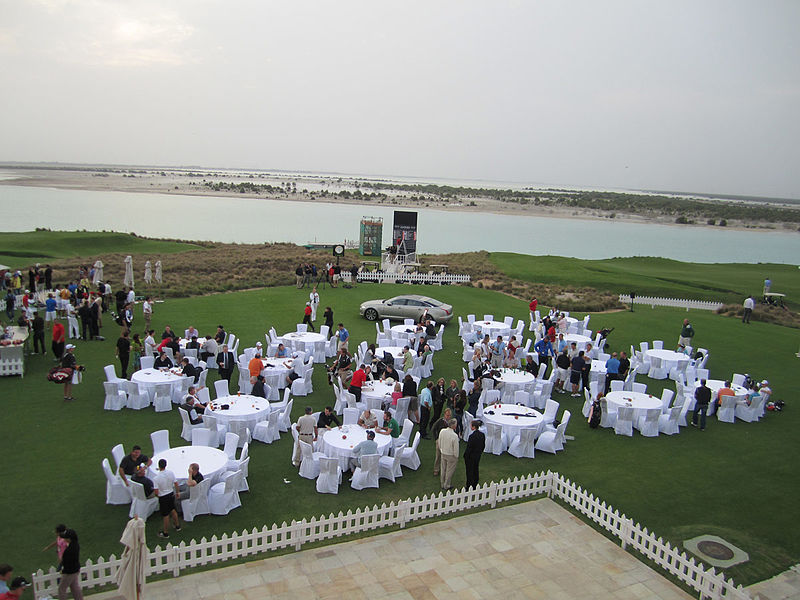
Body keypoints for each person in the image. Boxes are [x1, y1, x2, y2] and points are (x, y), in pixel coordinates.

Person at [154, 459, 182, 538]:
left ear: (159, 466)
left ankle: (165, 532)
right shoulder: (171, 473)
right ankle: (177, 526)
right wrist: (177, 492)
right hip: (171, 494)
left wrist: (158, 496)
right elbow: (176, 483)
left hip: (163, 497)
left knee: (165, 514)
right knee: (173, 510)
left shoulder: (156, 478)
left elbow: (156, 492)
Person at [58, 528, 84, 600]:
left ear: (69, 538)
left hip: (69, 572)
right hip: (76, 570)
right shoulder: (76, 545)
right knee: (75, 587)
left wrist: (63, 571)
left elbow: (67, 563)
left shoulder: (69, 550)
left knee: (61, 589)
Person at [438, 418, 460, 491]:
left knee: (443, 469)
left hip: (443, 452)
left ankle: (442, 483)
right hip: (451, 455)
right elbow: (456, 448)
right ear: (454, 426)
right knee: (449, 471)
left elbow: (439, 442)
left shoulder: (442, 431)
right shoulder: (454, 436)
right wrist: (456, 456)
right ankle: (446, 485)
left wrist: (441, 449)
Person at [464, 418, 485, 490]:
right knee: (476, 469)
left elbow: (469, 448)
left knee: (469, 471)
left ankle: (469, 486)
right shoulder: (482, 435)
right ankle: (475, 484)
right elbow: (483, 446)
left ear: (473, 427)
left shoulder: (472, 437)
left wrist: (466, 456)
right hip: (477, 456)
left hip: (471, 457)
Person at [431, 408, 453, 477]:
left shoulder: (451, 422)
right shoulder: (440, 421)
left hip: (448, 442)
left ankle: (445, 469)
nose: (448, 417)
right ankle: (436, 469)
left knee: (447, 456)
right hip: (440, 441)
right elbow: (434, 429)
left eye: (449, 415)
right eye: (447, 415)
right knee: (438, 455)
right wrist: (436, 438)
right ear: (444, 415)